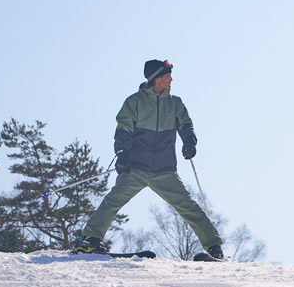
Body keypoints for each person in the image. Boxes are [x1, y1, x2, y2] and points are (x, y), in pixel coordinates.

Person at [75, 59, 224, 259]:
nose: (171, 79)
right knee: (113, 201)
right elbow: (123, 129)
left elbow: (186, 124)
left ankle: (214, 247)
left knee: (188, 206)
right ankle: (90, 239)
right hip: (136, 168)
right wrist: (122, 153)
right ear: (157, 79)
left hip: (164, 170)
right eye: (168, 76)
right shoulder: (134, 102)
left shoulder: (175, 103)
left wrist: (190, 141)